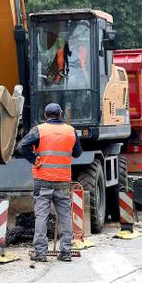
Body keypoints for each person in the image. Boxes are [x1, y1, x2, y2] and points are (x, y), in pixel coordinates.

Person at [16, 102, 82, 262]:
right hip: (63, 180)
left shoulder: (39, 130)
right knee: (65, 216)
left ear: (45, 115)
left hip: (43, 180)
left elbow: (21, 146)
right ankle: (66, 252)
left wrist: (34, 159)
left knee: (41, 216)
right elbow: (77, 154)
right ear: (60, 115)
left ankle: (40, 252)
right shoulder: (70, 130)